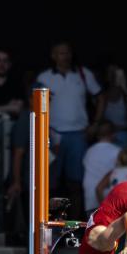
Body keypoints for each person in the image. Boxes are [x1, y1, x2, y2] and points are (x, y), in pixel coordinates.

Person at [36, 41, 104, 215]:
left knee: (77, 182)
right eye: (60, 53)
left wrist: (95, 123)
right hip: (53, 134)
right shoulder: (44, 78)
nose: (65, 56)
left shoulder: (83, 74)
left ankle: (77, 226)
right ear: (53, 56)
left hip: (78, 135)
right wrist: (45, 130)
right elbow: (35, 106)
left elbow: (101, 97)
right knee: (51, 183)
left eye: (67, 53)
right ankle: (54, 226)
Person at [82, 120, 121, 214]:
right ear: (113, 134)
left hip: (90, 199)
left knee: (93, 228)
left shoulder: (89, 151)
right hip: (110, 201)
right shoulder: (118, 152)